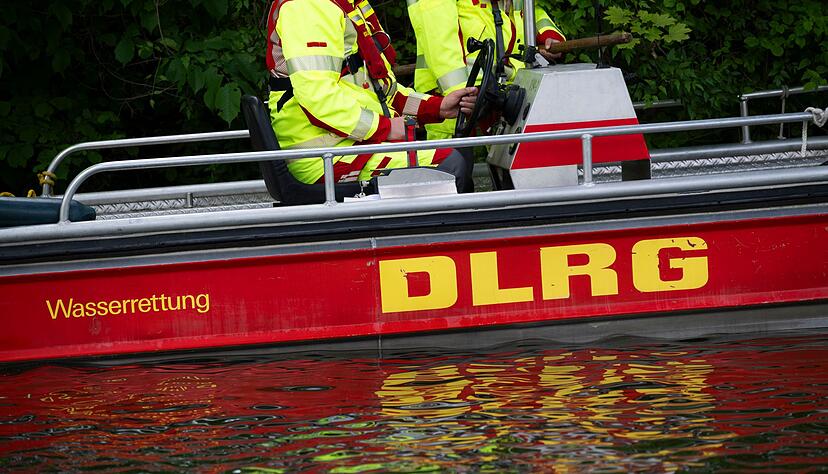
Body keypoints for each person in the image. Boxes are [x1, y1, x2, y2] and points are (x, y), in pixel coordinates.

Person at [265, 0, 478, 193]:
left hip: (350, 146)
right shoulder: (309, 6)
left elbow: (384, 92)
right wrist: (385, 128)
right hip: (324, 158)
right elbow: (318, 98)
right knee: (449, 165)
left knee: (456, 157)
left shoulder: (346, 5)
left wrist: (437, 107)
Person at [407, 0, 566, 139]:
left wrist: (548, 34)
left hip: (502, 93)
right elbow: (441, 45)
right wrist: (462, 95)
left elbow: (529, 10)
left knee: (507, 158)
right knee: (454, 160)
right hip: (452, 99)